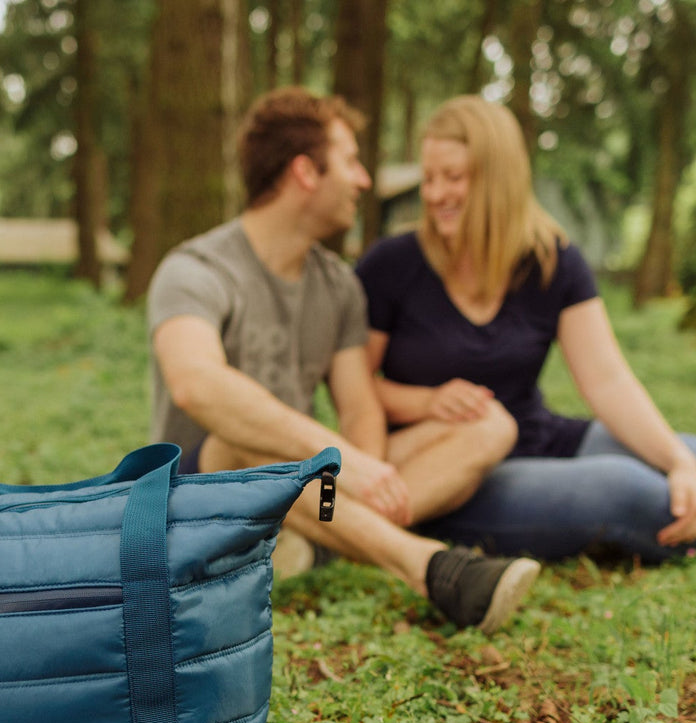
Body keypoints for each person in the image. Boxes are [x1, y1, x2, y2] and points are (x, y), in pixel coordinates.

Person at [355, 96, 696, 564]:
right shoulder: (391, 266)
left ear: (496, 178)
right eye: (429, 179)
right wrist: (426, 401)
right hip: (448, 467)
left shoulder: (552, 261)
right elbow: (357, 389)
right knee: (633, 492)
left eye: (453, 177)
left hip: (539, 435)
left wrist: (678, 460)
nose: (436, 194)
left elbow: (607, 381)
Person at [146, 87, 540, 633]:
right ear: (306, 172)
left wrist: (360, 469)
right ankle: (428, 566)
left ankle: (324, 537)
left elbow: (358, 408)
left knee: (489, 425)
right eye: (351, 162)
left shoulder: (337, 286)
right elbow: (197, 385)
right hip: (200, 495)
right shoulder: (194, 269)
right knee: (241, 438)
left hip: (302, 491)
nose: (364, 180)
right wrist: (335, 461)